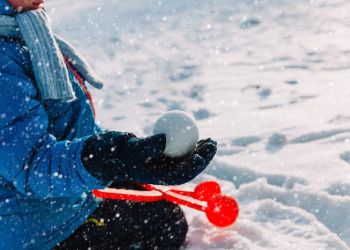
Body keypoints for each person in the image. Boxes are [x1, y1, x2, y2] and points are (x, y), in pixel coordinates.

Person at [0, 0, 217, 249]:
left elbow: (66, 126)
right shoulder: (5, 59)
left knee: (148, 200)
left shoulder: (23, 30)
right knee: (166, 222)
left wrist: (127, 152)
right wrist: (111, 157)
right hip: (33, 232)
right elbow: (32, 167)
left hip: (48, 203)